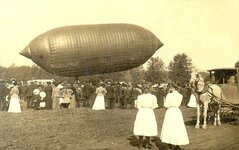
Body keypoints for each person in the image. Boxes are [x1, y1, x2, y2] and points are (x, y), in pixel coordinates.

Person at [160, 83, 189, 150]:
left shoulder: (169, 95)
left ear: (173, 88)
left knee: (169, 127)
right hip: (177, 112)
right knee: (176, 127)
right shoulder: (180, 95)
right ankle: (175, 143)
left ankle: (170, 143)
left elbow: (166, 105)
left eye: (170, 88)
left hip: (170, 111)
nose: (169, 89)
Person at [133, 84, 158, 149]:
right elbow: (155, 106)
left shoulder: (140, 97)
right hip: (149, 112)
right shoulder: (153, 97)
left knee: (141, 126)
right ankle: (147, 143)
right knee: (148, 126)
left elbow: (138, 106)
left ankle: (141, 144)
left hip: (142, 112)